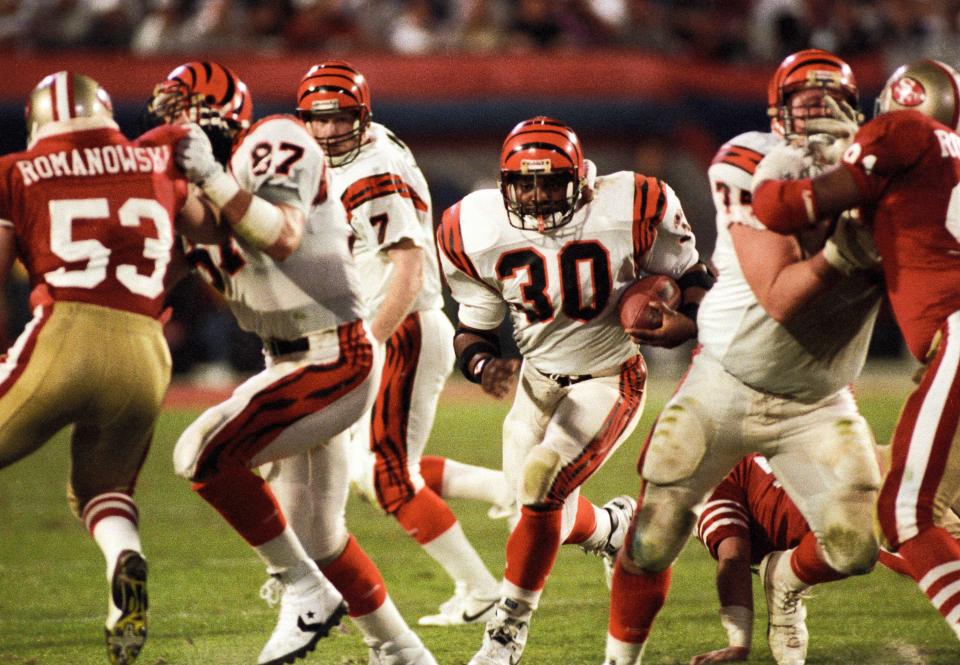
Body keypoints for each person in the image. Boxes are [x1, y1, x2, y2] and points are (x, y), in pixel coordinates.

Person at [146, 61, 437, 665]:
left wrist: (206, 176)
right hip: (292, 360)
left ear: (217, 113)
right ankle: (403, 652)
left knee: (200, 452)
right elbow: (190, 240)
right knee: (319, 537)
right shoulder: (211, 184)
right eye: (165, 115)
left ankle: (304, 591)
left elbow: (279, 234)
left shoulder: (273, 141)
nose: (172, 127)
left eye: (182, 113)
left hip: (332, 355)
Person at [603, 49, 885, 665]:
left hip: (816, 397)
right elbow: (780, 297)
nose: (817, 120)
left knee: (854, 547)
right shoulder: (748, 160)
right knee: (651, 539)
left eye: (830, 104)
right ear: (775, 116)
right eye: (802, 106)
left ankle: (784, 578)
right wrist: (852, 248)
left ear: (856, 111)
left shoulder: (890, 174)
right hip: (724, 382)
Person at [437, 115, 710, 665]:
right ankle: (612, 527)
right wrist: (482, 365)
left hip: (609, 379)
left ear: (582, 180)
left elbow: (693, 278)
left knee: (541, 486)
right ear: (503, 183)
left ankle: (506, 632)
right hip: (536, 383)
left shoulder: (632, 204)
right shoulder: (472, 225)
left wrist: (686, 323)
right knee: (535, 514)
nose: (536, 197)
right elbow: (473, 327)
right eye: (525, 184)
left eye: (550, 183)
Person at [275, 60, 506, 630]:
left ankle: (481, 590)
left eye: (339, 119)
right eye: (317, 120)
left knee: (385, 476)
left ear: (363, 117)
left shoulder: (371, 172)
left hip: (400, 325)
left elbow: (406, 265)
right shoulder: (368, 145)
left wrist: (370, 343)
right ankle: (511, 489)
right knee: (369, 467)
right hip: (393, 322)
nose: (327, 132)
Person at [0, 70, 218, 665]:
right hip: (147, 349)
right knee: (102, 489)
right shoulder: (154, 157)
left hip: (64, 332)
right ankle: (123, 558)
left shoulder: (16, 169)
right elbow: (212, 231)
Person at [751, 57, 960, 644]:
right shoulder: (944, 165)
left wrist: (775, 171)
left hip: (959, 339)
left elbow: (780, 207)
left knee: (905, 515)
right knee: (933, 508)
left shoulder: (902, 132)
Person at [690, 450, 953, 665]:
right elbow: (733, 556)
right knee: (904, 542)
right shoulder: (706, 482)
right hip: (828, 512)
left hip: (841, 479)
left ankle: (784, 576)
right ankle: (784, 578)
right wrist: (738, 640)